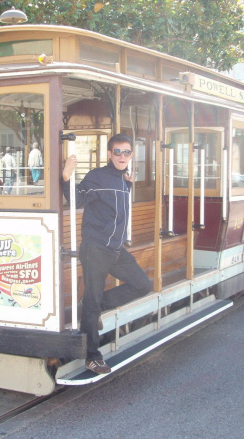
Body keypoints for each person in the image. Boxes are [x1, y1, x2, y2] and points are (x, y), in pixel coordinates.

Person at [61, 133, 151, 374]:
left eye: (127, 152)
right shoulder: (97, 177)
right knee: (91, 301)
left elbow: (117, 208)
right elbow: (76, 200)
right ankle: (92, 356)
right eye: (118, 152)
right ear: (109, 154)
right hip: (95, 249)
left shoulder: (123, 180)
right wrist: (66, 176)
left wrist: (129, 184)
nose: (122, 156)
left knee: (143, 285)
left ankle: (96, 305)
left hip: (116, 250)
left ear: (131, 155)